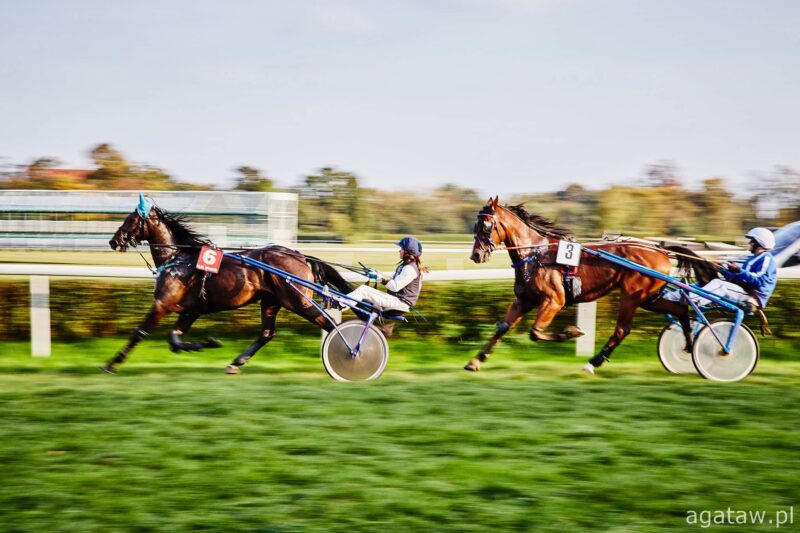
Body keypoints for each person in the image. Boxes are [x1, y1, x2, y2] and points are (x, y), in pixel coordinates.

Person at [666, 227, 777, 311]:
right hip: (742, 290)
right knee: (699, 285)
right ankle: (667, 297)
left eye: (751, 241)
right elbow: (737, 277)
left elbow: (760, 281)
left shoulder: (766, 258)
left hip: (752, 297)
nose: (749, 243)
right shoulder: (752, 258)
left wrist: (739, 270)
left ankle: (691, 299)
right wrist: (720, 269)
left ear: (759, 243)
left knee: (719, 285)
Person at [345, 236, 428, 314]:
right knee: (363, 290)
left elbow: (395, 286)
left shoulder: (410, 269)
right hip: (396, 300)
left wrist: (377, 277)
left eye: (401, 249)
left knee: (363, 290)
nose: (399, 251)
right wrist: (377, 272)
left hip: (399, 303)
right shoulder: (406, 265)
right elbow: (392, 278)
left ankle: (339, 304)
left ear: (407, 252)